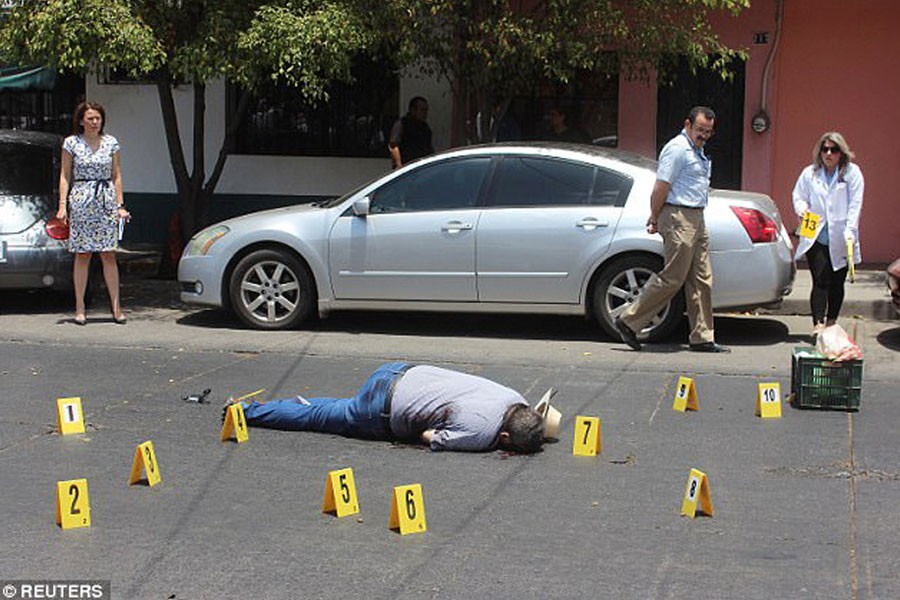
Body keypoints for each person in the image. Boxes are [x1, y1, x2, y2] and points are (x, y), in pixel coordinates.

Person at [229, 363, 548, 453]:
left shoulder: (514, 396)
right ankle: (245, 411)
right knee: (319, 416)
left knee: (332, 408)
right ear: (505, 437)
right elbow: (427, 437)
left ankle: (258, 408)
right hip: (382, 409)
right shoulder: (482, 434)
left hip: (398, 370)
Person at [614, 106, 729, 353]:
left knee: (702, 279)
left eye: (708, 131)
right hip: (678, 216)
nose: (704, 135)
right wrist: (654, 216)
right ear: (688, 125)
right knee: (674, 277)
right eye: (700, 130)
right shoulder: (677, 149)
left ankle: (702, 337)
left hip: (697, 216)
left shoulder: (696, 150)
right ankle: (629, 320)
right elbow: (661, 187)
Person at [56, 101, 129, 325]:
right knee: (83, 254)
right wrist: (62, 205)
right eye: (90, 118)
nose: (94, 122)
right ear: (81, 121)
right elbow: (65, 175)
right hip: (82, 198)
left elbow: (116, 175)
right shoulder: (71, 143)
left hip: (105, 199)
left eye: (98, 118)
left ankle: (116, 308)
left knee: (108, 253)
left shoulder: (111, 143)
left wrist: (120, 205)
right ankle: (80, 307)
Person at [791, 132, 864, 334]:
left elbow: (855, 204)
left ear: (842, 152)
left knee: (837, 281)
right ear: (820, 151)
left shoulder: (852, 173)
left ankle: (831, 323)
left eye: (834, 150)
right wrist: (803, 210)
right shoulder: (810, 173)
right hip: (815, 231)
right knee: (820, 279)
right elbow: (798, 196)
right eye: (825, 149)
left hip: (841, 234)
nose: (829, 154)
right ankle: (818, 324)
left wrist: (850, 230)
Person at [388, 97, 434, 169]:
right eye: (422, 110)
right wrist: (398, 165)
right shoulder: (402, 124)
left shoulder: (425, 128)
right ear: (413, 110)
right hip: (406, 167)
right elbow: (393, 145)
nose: (425, 113)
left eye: (426, 110)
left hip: (421, 168)